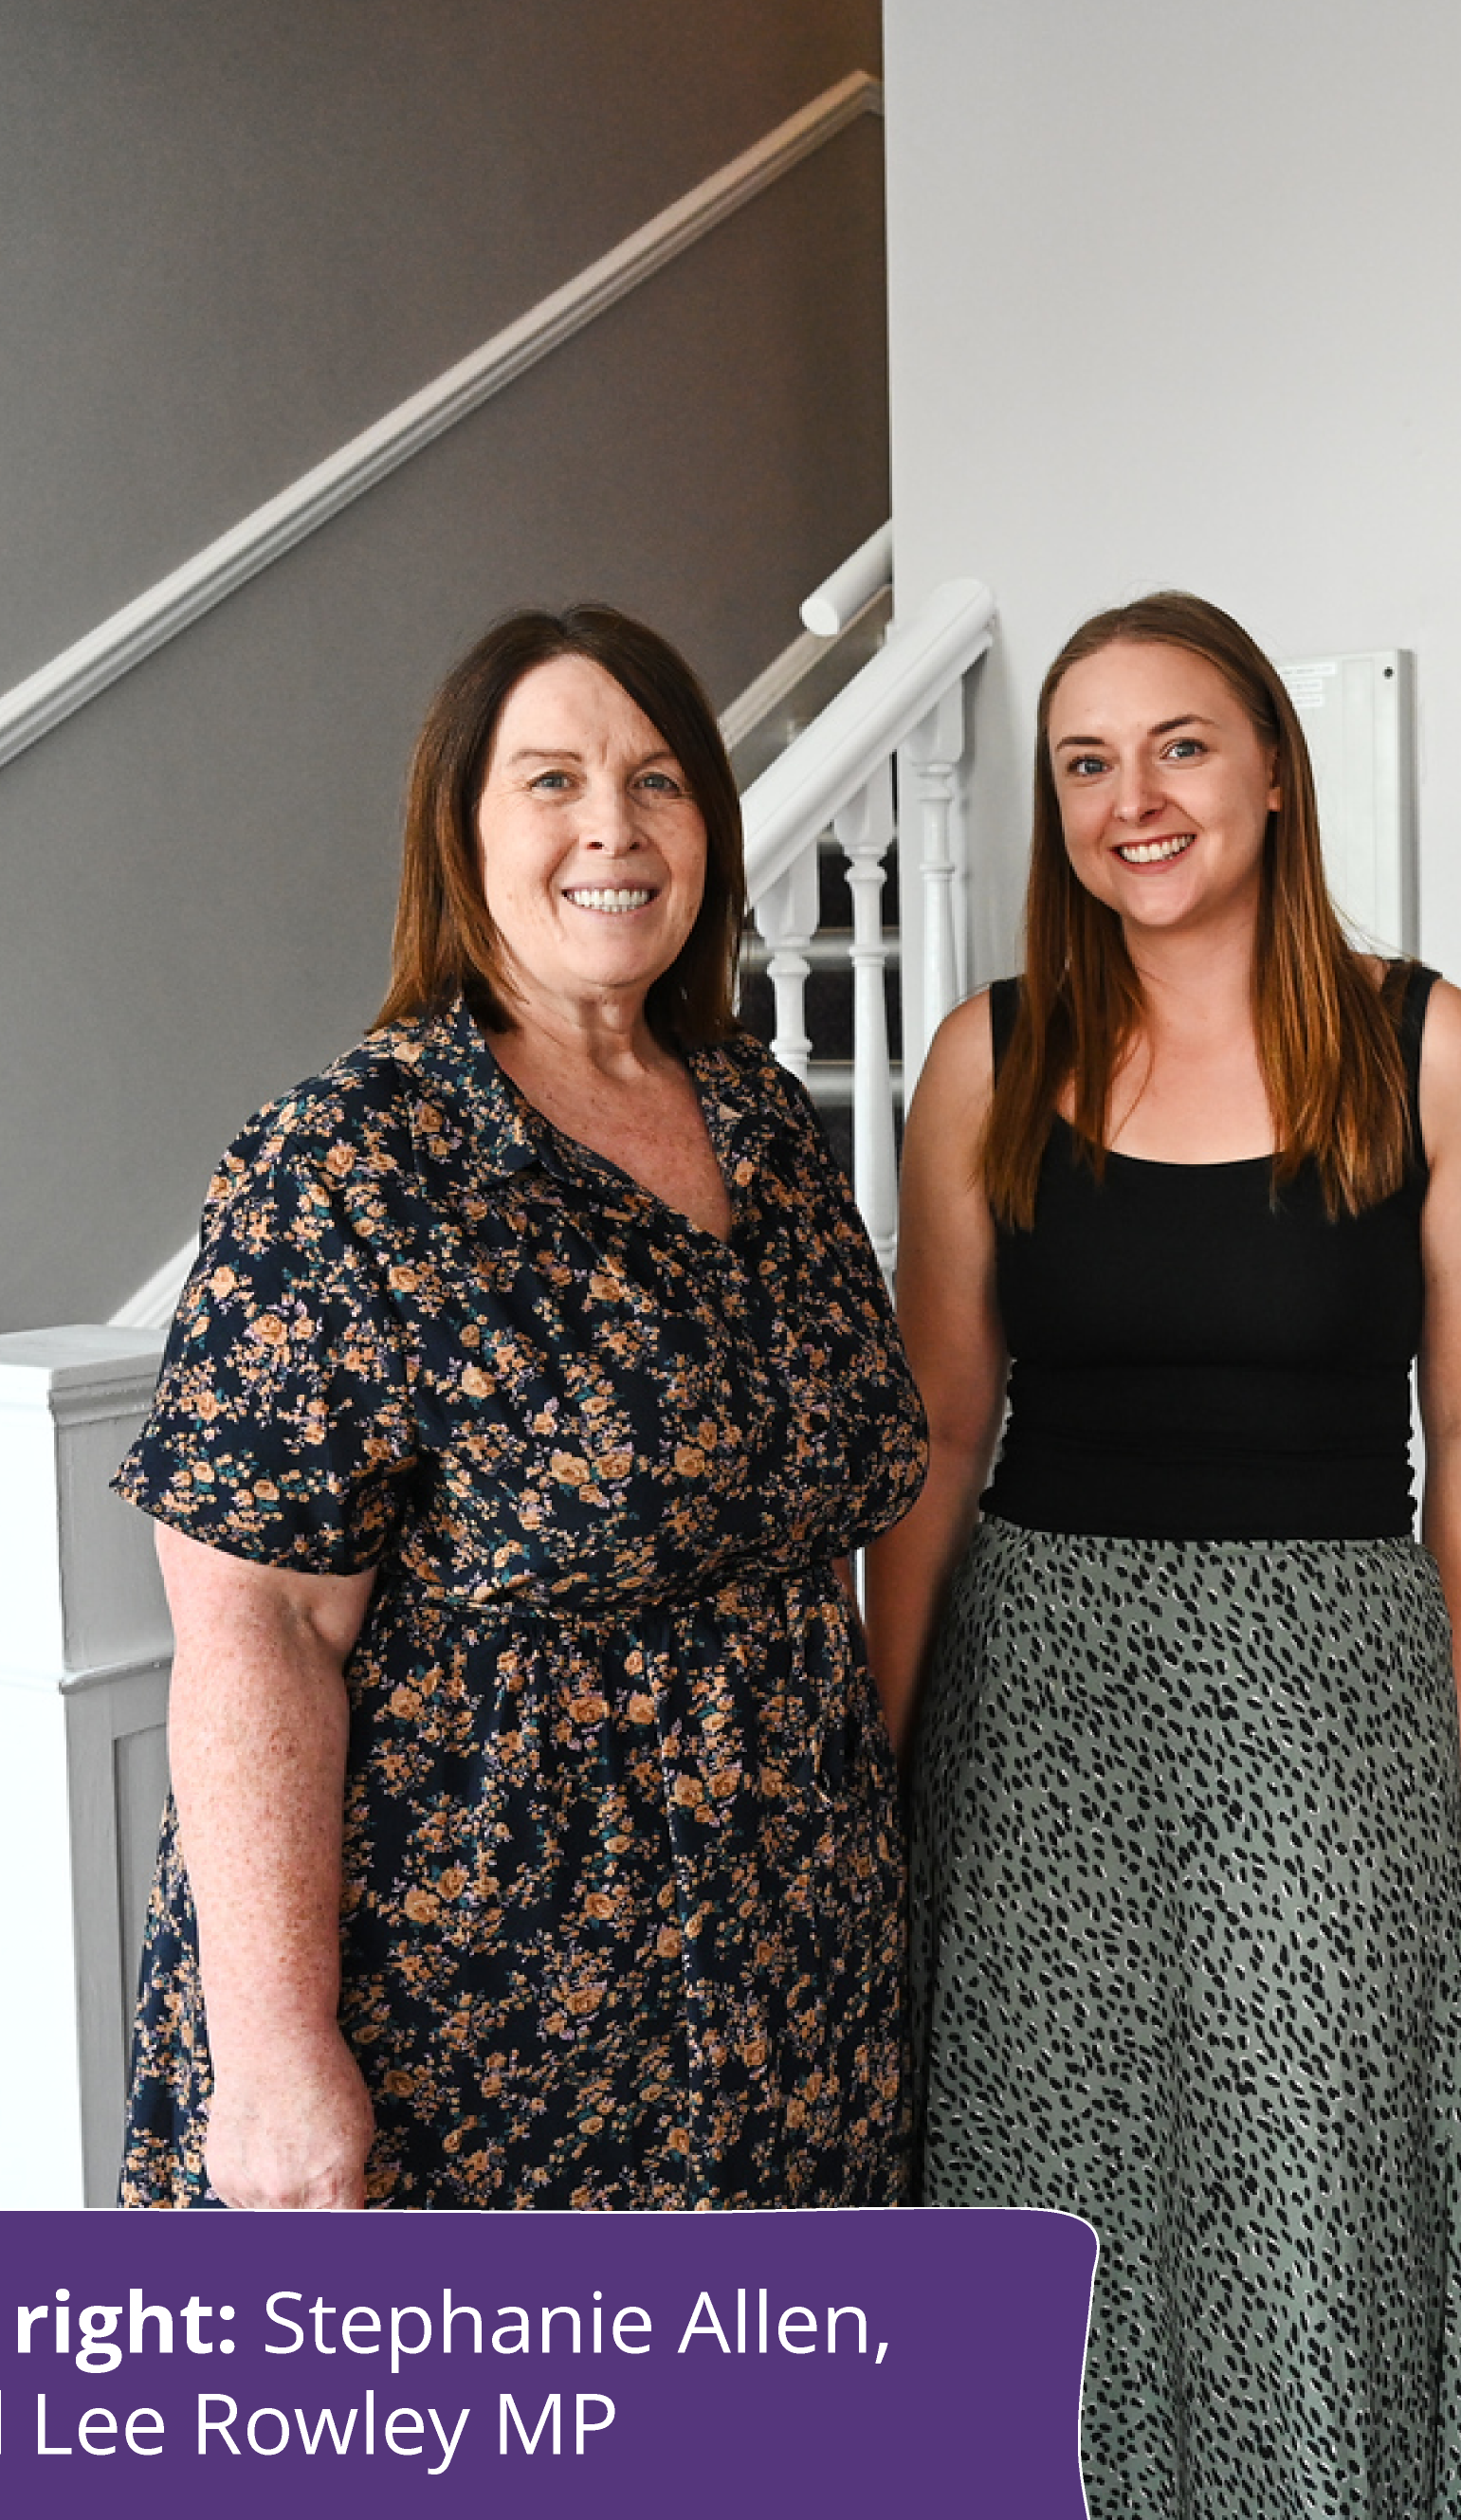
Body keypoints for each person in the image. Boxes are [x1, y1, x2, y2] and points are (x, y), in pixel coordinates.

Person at [109, 603, 926, 2209]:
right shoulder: (353, 1156)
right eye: (550, 781)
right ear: (461, 831)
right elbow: (256, 1632)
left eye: (657, 781)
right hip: (487, 2023)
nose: (611, 826)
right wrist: (272, 2053)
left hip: (797, 1991)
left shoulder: (759, 1111)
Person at [869, 591, 1461, 2520]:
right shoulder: (984, 1059)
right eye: (1084, 761)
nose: (1130, 796)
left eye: (1175, 745)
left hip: (1327, 1690)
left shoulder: (1428, 1043)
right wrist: (889, 1742)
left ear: (1269, 771)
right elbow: (935, 1428)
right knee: (1045, 2196)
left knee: (1311, 2199)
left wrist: (1460, 1733)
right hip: (1044, 1690)